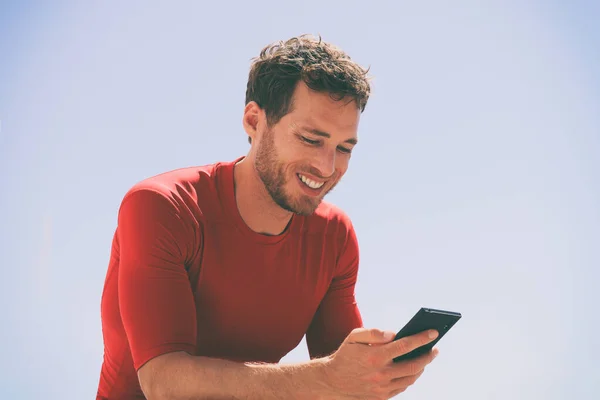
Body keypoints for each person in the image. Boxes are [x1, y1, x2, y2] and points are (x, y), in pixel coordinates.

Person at [96, 34, 440, 400]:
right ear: (254, 120)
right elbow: (164, 383)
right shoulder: (163, 207)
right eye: (310, 139)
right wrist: (329, 379)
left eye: (343, 148)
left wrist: (374, 377)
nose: (327, 167)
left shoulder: (334, 237)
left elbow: (342, 383)